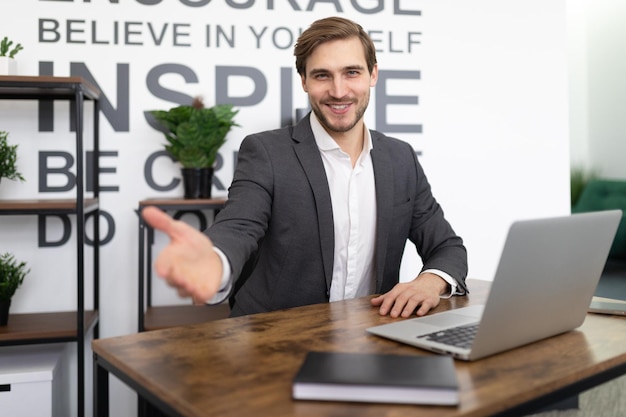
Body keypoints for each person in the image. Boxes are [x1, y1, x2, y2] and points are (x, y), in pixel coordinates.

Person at [142, 16, 468, 318]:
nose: (338, 91)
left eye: (351, 72)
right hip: (275, 346)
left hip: (372, 340)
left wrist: (430, 281)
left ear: (373, 74)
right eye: (322, 75)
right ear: (304, 81)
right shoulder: (266, 152)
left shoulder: (401, 159)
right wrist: (214, 262)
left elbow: (447, 246)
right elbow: (238, 227)